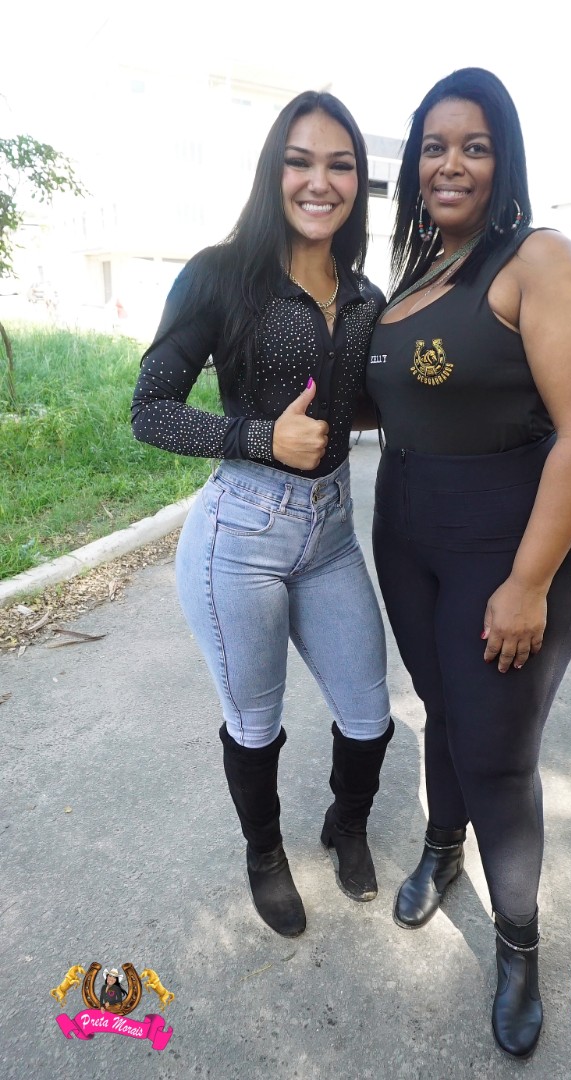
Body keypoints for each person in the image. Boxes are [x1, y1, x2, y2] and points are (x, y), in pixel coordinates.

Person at [365, 67, 571, 1059]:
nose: (450, 163)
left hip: (508, 548)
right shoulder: (418, 272)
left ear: (502, 158)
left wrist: (527, 583)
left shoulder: (535, 259)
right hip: (409, 538)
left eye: (473, 145)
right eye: (434, 146)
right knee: (444, 710)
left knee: (499, 753)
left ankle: (517, 943)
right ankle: (442, 848)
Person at [131, 92, 393, 939]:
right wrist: (256, 436)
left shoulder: (365, 294)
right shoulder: (220, 274)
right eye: (299, 161)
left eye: (340, 165)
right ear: (272, 170)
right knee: (255, 722)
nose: (320, 181)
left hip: (331, 531)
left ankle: (345, 825)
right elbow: (149, 409)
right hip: (239, 535)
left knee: (369, 714)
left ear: (358, 181)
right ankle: (265, 854)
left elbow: (359, 400)